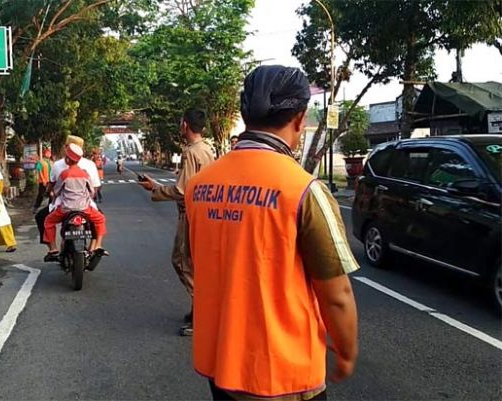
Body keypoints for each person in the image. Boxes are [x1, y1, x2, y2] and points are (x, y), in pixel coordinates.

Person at [185, 65, 359, 401]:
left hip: (220, 366)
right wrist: (348, 353)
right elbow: (337, 294)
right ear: (300, 118)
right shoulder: (304, 191)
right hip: (284, 376)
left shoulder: (199, 187)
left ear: (245, 114)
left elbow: (202, 262)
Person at [138, 109, 215, 336]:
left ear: (184, 126)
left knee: (181, 261)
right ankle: (198, 308)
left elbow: (182, 189)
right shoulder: (208, 149)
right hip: (204, 212)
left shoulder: (191, 153)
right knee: (195, 263)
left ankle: (203, 310)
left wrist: (155, 188)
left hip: (189, 212)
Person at [43, 143, 107, 261]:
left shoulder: (64, 173)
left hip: (66, 209)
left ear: (67, 159)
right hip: (85, 209)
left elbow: (56, 191)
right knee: (101, 219)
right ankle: (98, 245)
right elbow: (92, 191)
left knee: (48, 221)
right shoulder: (85, 173)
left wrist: (54, 194)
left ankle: (53, 248)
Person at [35, 136, 101, 247]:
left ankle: (52, 248)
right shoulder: (89, 166)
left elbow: (54, 188)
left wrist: (51, 194)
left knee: (42, 218)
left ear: (66, 149)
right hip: (85, 205)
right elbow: (94, 188)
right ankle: (94, 246)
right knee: (99, 220)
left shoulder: (58, 166)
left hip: (63, 205)